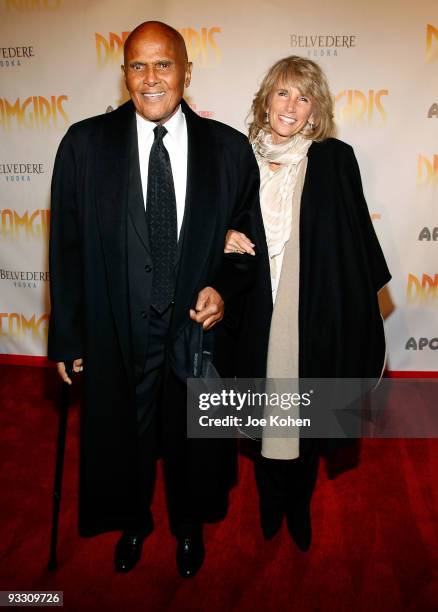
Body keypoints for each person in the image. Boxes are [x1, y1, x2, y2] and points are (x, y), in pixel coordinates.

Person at [48, 21, 270, 578]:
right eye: (137, 66)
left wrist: (223, 284)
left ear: (186, 72)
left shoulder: (228, 150)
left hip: (196, 334)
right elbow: (67, 249)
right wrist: (69, 335)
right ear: (124, 74)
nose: (150, 79)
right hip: (117, 330)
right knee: (127, 437)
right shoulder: (84, 144)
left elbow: (248, 242)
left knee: (193, 441)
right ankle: (134, 522)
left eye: (163, 64)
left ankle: (189, 528)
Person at [225, 56, 391, 551]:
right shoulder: (236, 157)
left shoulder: (335, 159)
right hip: (249, 309)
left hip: (311, 310)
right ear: (265, 100)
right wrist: (223, 237)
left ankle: (296, 502)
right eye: (282, 93)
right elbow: (208, 222)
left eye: (303, 97)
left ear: (315, 111)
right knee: (257, 416)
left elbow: (355, 239)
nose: (290, 106)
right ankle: (268, 500)